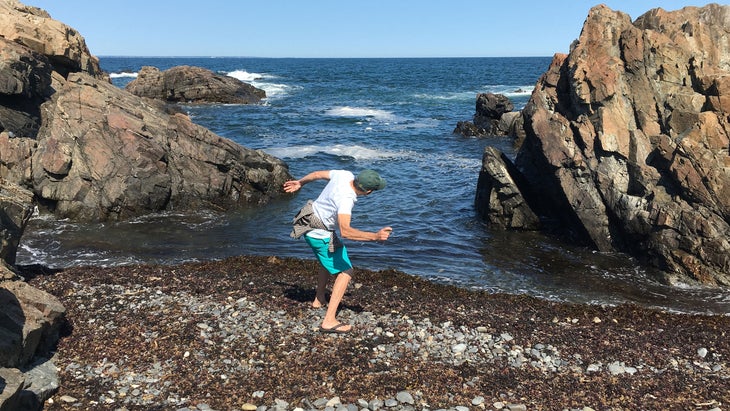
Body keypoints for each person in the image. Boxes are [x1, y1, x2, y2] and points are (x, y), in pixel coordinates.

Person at [284, 169, 392, 334]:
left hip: (308, 219)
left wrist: (300, 182)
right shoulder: (347, 199)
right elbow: (346, 231)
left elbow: (317, 174)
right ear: (369, 192)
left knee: (327, 260)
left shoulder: (344, 174)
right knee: (346, 271)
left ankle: (319, 299)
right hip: (318, 233)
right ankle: (329, 321)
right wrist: (375, 236)